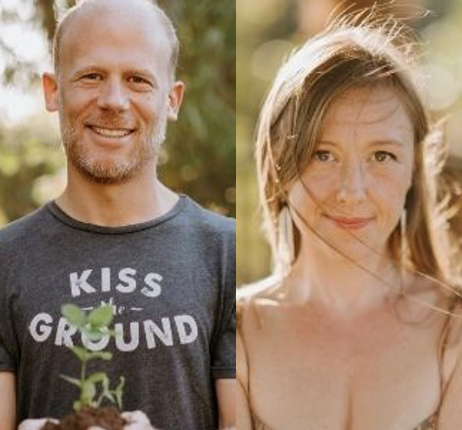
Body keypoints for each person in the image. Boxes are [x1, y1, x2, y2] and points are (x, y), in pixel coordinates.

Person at [0, 1, 236, 429]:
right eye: (91, 76)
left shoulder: (226, 254)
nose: (113, 100)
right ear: (53, 91)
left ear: (172, 100)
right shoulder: (4, 259)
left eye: (138, 80)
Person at [237, 8, 462, 430]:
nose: (352, 191)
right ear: (279, 166)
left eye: (382, 156)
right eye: (323, 154)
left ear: (413, 168)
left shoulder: (455, 330)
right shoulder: (234, 335)